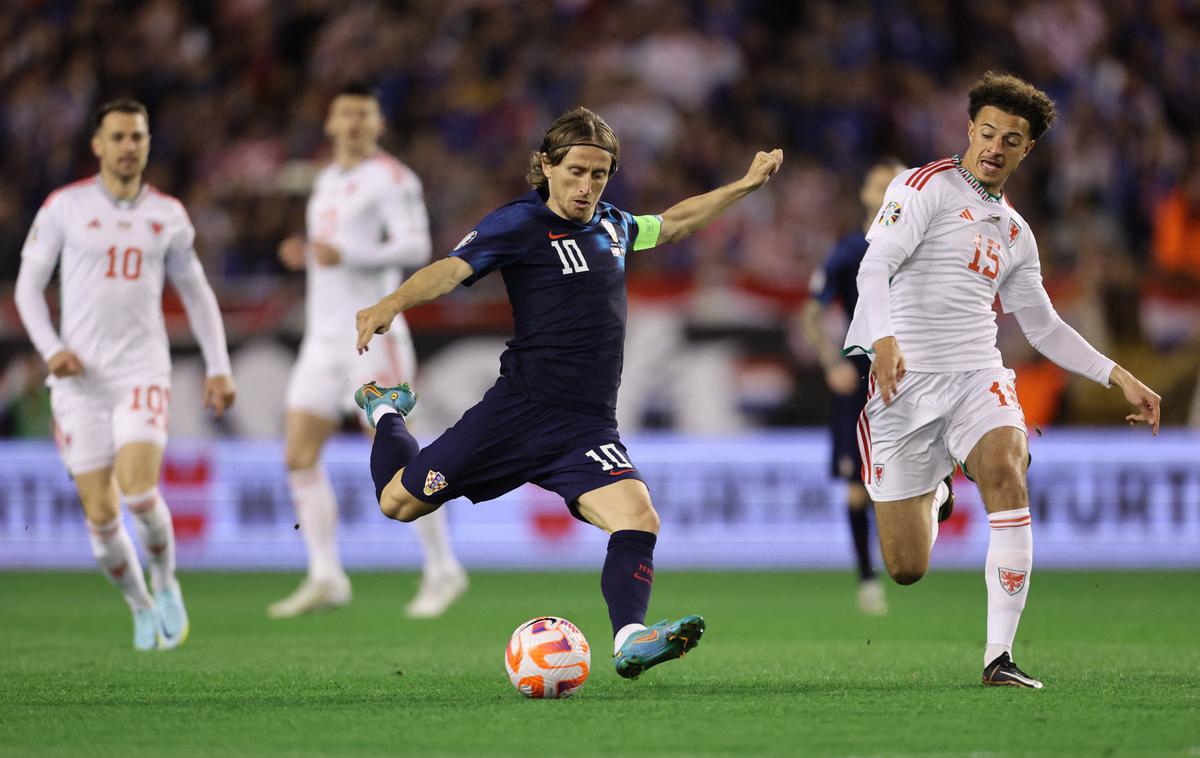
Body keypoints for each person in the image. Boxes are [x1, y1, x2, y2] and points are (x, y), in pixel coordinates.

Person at [354, 107, 782, 678]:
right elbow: (452, 270)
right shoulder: (516, 224)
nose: (587, 185)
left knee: (639, 517)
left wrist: (745, 185)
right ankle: (386, 411)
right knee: (397, 503)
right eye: (576, 171)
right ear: (547, 167)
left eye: (599, 174)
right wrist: (392, 303)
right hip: (517, 413)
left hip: (586, 426)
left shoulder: (613, 226)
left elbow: (674, 222)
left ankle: (629, 638)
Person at [844, 72, 1161, 688]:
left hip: (977, 376)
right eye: (987, 132)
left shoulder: (1016, 232)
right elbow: (874, 264)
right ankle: (937, 489)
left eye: (1010, 139)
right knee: (906, 567)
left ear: (1027, 150)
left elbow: (1042, 326)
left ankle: (998, 657)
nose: (994, 146)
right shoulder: (923, 187)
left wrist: (1117, 375)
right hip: (902, 386)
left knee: (1006, 469)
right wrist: (882, 338)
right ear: (970, 130)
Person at [14, 99, 236, 651]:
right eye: (117, 137)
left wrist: (218, 366)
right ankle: (138, 603)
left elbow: (196, 293)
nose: (128, 146)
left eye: (137, 136)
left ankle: (164, 583)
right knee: (101, 514)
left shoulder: (168, 214)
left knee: (139, 492)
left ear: (147, 142)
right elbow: (26, 288)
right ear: (98, 145)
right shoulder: (64, 207)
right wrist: (51, 349)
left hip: (142, 370)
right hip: (78, 381)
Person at [269, 83, 467, 619]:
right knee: (298, 453)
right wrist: (311, 254)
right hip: (322, 339)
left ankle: (443, 568)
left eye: (364, 113)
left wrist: (344, 252)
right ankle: (326, 575)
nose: (354, 122)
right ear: (330, 123)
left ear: (379, 123)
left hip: (372, 337)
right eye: (344, 113)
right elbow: (328, 255)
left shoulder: (393, 179)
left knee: (398, 458)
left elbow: (415, 247)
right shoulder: (327, 180)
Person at [799, 158, 905, 616]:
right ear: (865, 193)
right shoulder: (847, 250)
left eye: (893, 185)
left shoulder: (921, 246)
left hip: (913, 371)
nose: (883, 193)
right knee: (857, 486)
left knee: (915, 475)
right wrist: (830, 361)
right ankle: (867, 576)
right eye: (877, 184)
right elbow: (810, 313)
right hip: (860, 372)